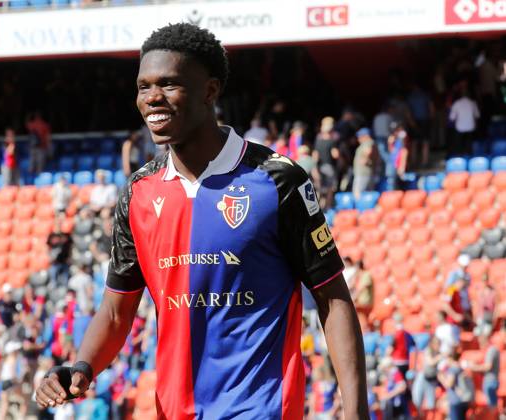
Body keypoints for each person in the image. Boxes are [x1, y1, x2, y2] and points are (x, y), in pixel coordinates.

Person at [36, 23, 368, 419]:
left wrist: (356, 411)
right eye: (144, 87)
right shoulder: (139, 193)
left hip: (261, 411)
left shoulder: (277, 180)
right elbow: (114, 312)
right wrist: (81, 367)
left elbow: (333, 298)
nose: (153, 98)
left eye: (169, 84)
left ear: (210, 91)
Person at [467, 327, 500, 417]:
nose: (479, 341)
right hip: (489, 379)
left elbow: (487, 366)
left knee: (491, 405)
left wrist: (473, 367)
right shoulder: (490, 350)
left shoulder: (491, 350)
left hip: (491, 380)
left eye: (480, 338)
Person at [411, 336, 442, 419]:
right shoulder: (428, 351)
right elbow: (430, 362)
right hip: (423, 377)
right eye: (437, 343)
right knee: (417, 400)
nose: (438, 345)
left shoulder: (440, 353)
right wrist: (440, 357)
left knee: (431, 404)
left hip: (432, 380)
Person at [313, 116, 340, 209]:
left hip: (320, 167)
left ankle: (320, 207)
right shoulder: (332, 141)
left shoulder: (318, 140)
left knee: (321, 189)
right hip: (329, 167)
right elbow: (335, 155)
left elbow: (315, 156)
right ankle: (328, 207)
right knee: (330, 188)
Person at [438, 349, 472, 420]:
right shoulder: (460, 367)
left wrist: (441, 378)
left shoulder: (453, 369)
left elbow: (449, 384)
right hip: (463, 399)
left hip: (456, 400)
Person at [406, 83, 434, 166]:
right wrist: (431, 120)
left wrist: (411, 122)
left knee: (414, 142)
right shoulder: (425, 95)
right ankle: (424, 162)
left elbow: (407, 112)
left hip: (414, 121)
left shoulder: (410, 96)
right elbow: (431, 108)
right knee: (425, 142)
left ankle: (414, 162)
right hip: (425, 120)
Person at [0, 341, 27, 420]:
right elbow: (13, 374)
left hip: (4, 382)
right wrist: (18, 381)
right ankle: (22, 417)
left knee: (4, 404)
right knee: (24, 400)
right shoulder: (13, 358)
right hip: (10, 382)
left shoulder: (6, 359)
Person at [449, 89, 480, 157]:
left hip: (460, 128)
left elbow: (452, 118)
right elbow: (477, 116)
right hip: (471, 128)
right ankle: (470, 155)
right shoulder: (473, 103)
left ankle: (459, 156)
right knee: (469, 142)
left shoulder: (456, 103)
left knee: (457, 140)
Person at [352, 128, 379, 200]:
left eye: (360, 137)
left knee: (358, 192)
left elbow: (368, 151)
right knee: (367, 194)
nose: (358, 139)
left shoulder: (368, 142)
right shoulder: (371, 143)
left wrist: (365, 158)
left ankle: (359, 208)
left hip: (363, 173)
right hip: (366, 173)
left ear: (365, 136)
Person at [47, 219, 72, 287]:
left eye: (59, 224)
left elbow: (69, 247)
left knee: (65, 280)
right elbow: (48, 247)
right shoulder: (52, 235)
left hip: (64, 261)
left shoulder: (65, 236)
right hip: (55, 262)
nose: (58, 226)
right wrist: (50, 257)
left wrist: (69, 257)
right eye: (57, 224)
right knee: (53, 279)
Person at [27, 111, 52, 175]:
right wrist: (49, 148)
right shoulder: (44, 124)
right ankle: (37, 179)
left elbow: (27, 124)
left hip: (38, 147)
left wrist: (28, 116)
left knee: (33, 166)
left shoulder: (34, 124)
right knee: (38, 166)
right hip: (39, 147)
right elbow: (48, 138)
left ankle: (32, 181)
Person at [386, 123, 409, 191]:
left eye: (396, 130)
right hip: (393, 164)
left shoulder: (402, 138)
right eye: (393, 131)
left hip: (400, 164)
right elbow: (391, 151)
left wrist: (402, 166)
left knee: (400, 185)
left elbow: (404, 151)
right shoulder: (392, 139)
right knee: (391, 183)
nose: (395, 132)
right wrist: (390, 143)